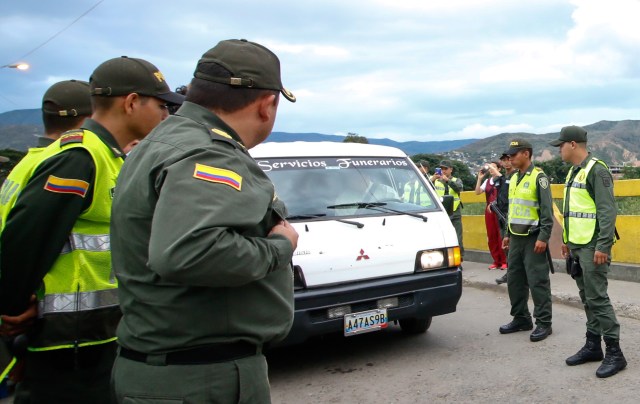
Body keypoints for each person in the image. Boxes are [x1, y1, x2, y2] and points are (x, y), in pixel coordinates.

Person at [110, 39, 299, 404]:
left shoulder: (161, 142)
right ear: (267, 104)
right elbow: (187, 251)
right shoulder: (210, 154)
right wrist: (279, 247)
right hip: (200, 376)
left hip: (165, 366)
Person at [0, 57, 183, 404]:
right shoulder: (81, 157)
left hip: (93, 336)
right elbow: (27, 237)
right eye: (161, 105)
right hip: (70, 342)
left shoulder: (107, 155)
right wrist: (11, 310)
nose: (165, 115)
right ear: (131, 102)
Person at [550, 125, 627, 378]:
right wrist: (566, 240)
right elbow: (572, 212)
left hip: (594, 246)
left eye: (560, 145)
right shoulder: (574, 171)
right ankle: (593, 345)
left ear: (573, 144)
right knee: (587, 298)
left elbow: (607, 211)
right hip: (577, 245)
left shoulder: (597, 170)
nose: (558, 150)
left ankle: (615, 353)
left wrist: (603, 246)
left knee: (597, 298)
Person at [499, 139, 553, 342]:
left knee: (538, 281)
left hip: (533, 238)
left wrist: (544, 237)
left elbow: (547, 211)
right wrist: (507, 233)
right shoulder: (513, 178)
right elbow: (512, 210)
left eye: (513, 154)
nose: (510, 158)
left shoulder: (539, 178)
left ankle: (544, 323)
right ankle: (521, 318)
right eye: (509, 155)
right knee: (515, 281)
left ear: (526, 154)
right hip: (516, 238)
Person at [474, 161, 507, 270]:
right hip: (489, 211)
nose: (491, 169)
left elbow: (503, 180)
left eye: (494, 167)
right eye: (490, 167)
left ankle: (504, 260)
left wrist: (496, 171)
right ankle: (496, 260)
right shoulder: (488, 181)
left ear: (499, 169)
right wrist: (479, 178)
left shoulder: (502, 180)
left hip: (499, 210)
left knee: (500, 235)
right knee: (491, 235)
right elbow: (477, 192)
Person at [431, 160, 464, 260]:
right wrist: (432, 179)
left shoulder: (456, 180)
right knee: (441, 237)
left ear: (451, 169)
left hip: (454, 212)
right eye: (441, 169)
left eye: (446, 168)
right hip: (441, 213)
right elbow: (423, 187)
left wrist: (447, 181)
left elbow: (459, 188)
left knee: (458, 237)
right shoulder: (435, 180)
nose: (443, 171)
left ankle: (459, 258)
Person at [495, 153, 516, 285]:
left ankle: (513, 273)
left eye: (508, 159)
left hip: (511, 215)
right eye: (503, 160)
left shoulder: (516, 175)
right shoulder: (503, 178)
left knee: (512, 247)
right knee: (506, 247)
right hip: (501, 215)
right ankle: (511, 272)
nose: (506, 162)